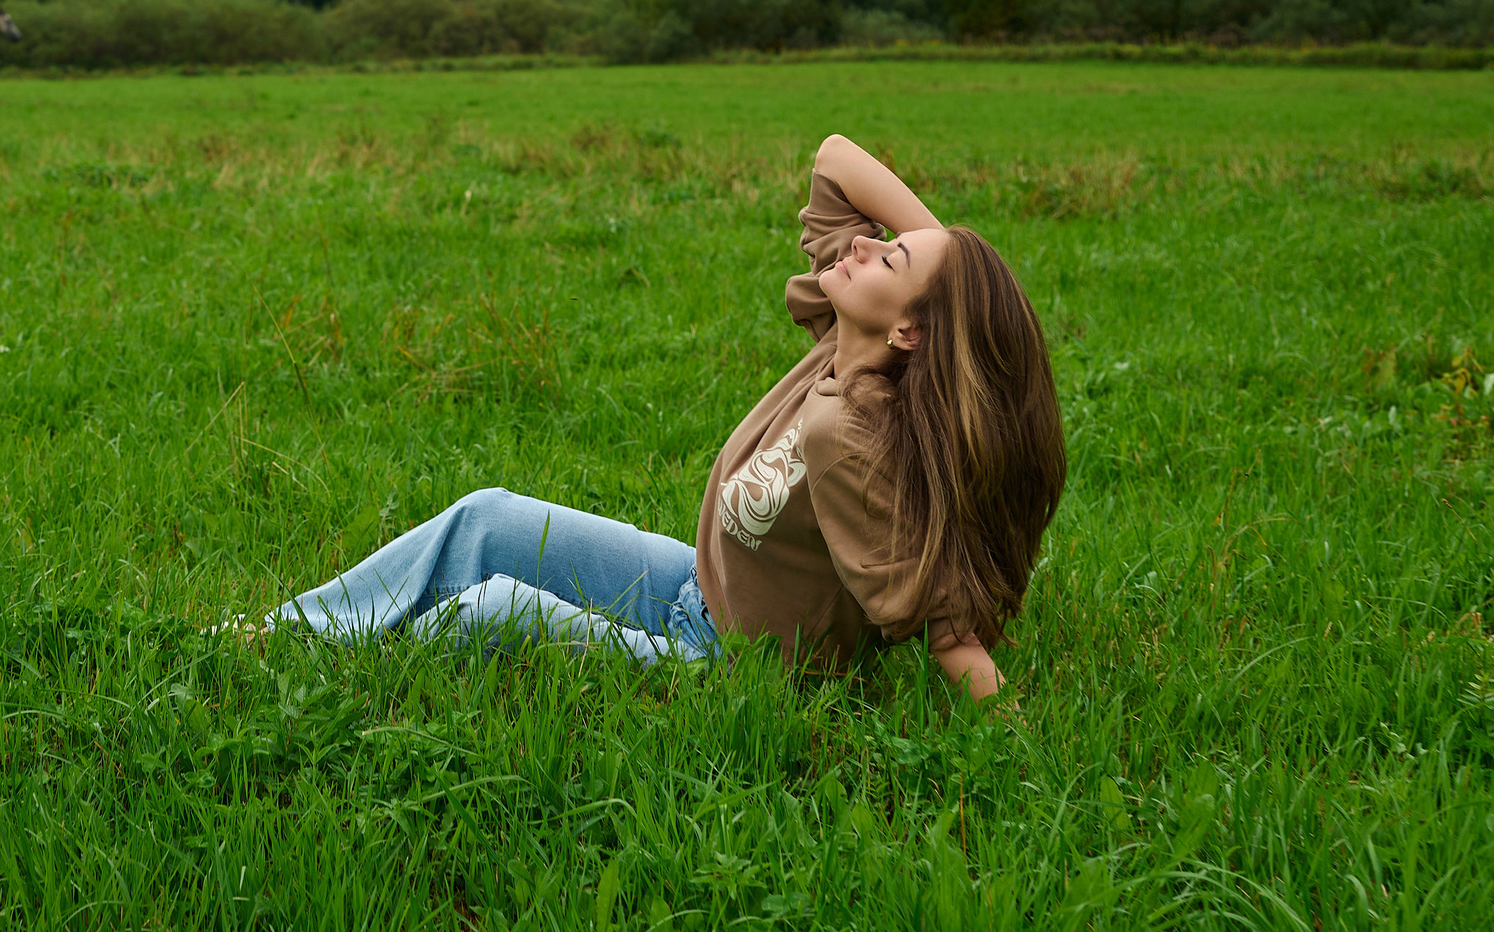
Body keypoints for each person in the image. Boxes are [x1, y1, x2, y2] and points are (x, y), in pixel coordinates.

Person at [254, 133, 1066, 701]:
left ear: (910, 333)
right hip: (693, 588)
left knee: (492, 611)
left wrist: (1004, 738)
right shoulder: (844, 337)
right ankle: (268, 638)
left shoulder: (852, 435)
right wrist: (945, 265)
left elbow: (938, 619)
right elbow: (834, 160)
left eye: (889, 254)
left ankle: (338, 680)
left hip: (728, 673)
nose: (863, 245)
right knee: (485, 518)